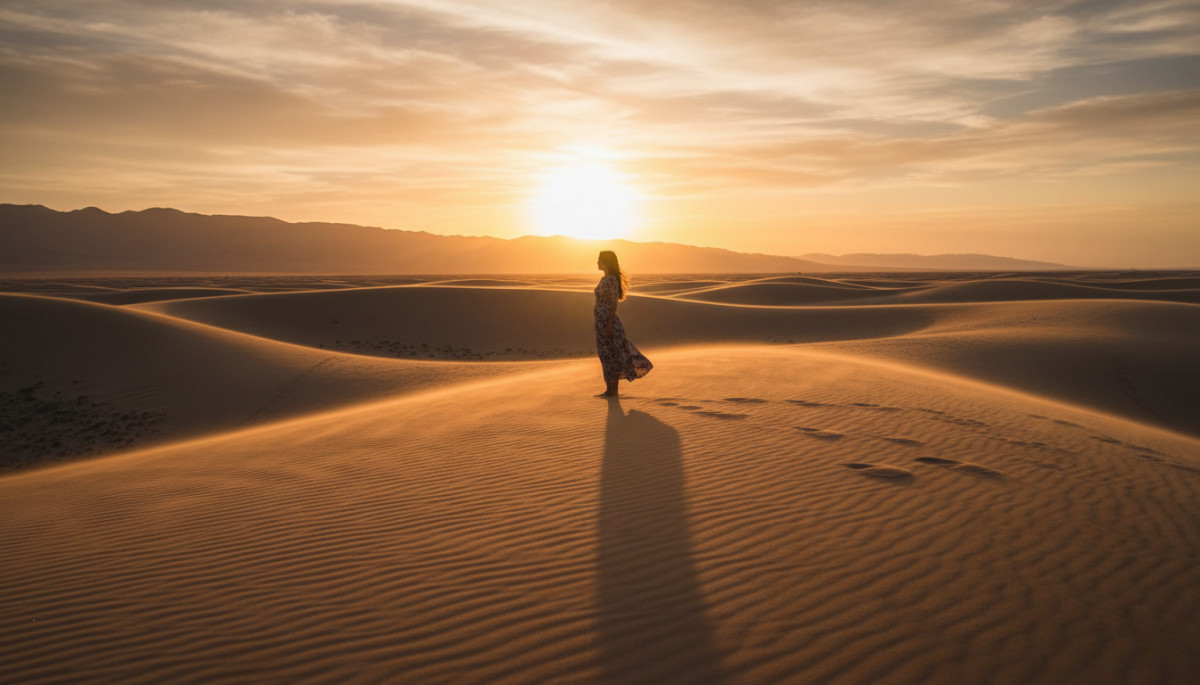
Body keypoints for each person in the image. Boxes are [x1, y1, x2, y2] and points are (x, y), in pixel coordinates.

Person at [594, 251, 653, 397]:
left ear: (606, 262)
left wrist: (609, 323)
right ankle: (609, 389)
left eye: (600, 260)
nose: (597, 262)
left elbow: (613, 302)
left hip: (608, 322)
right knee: (605, 355)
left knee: (612, 355)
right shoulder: (604, 279)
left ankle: (613, 391)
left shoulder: (611, 280)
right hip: (600, 323)